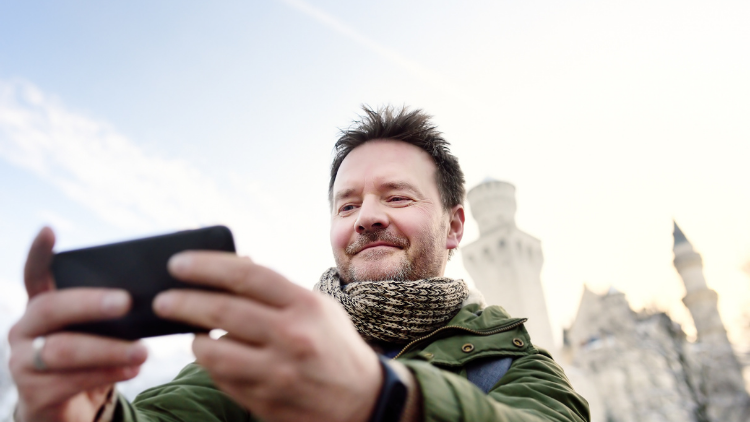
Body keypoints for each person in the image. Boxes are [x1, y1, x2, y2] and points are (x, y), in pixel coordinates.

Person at [9, 106, 590, 422]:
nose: (366, 217)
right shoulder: (265, 347)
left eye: (397, 197)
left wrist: (381, 399)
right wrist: (83, 417)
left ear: (456, 226)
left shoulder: (519, 367)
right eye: (348, 203)